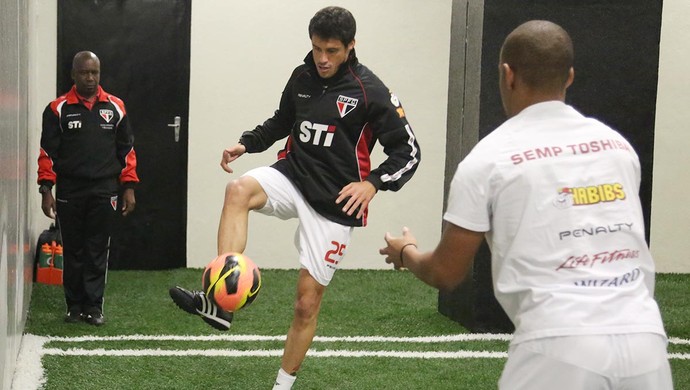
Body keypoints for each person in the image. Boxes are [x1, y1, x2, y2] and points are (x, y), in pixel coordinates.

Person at [379, 20, 672, 390]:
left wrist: (405, 252)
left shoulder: (487, 160)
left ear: (507, 75)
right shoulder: (617, 148)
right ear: (569, 77)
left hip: (558, 347)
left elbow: (446, 273)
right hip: (646, 343)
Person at [169, 6, 420, 389]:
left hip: (336, 202)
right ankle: (219, 304)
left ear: (351, 46)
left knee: (306, 303)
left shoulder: (371, 91)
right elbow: (283, 120)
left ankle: (282, 386)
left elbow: (409, 151)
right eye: (317, 48)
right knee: (238, 190)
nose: (322, 59)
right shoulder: (302, 76)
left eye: (332, 51)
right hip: (293, 174)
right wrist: (247, 143)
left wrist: (372, 184)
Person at [37, 51, 139, 326]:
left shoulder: (115, 106)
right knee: (73, 250)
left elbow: (127, 151)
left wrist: (128, 186)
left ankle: (93, 307)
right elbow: (47, 152)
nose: (90, 78)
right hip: (70, 190)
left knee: (97, 250)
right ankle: (74, 306)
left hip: (106, 191)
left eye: (94, 72)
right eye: (84, 72)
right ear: (73, 75)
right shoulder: (57, 109)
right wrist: (46, 189)